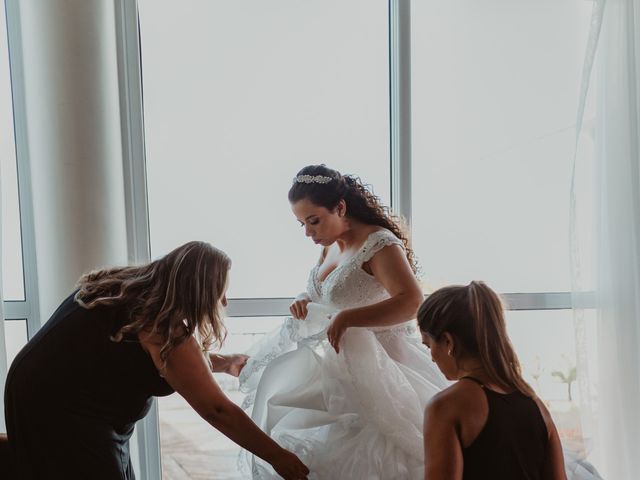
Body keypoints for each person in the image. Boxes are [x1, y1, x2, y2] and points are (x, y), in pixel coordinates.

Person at [4, 241, 309, 480]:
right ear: (198, 292)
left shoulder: (129, 288)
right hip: (62, 410)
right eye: (220, 292)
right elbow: (216, 410)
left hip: (36, 387)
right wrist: (277, 456)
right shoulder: (163, 327)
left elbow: (145, 358)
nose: (224, 302)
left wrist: (224, 362)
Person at [238, 165, 448, 479]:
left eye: (314, 221)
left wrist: (350, 318)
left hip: (383, 368)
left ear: (340, 208)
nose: (309, 233)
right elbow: (331, 294)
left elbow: (411, 301)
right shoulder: (329, 246)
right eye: (302, 224)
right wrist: (305, 300)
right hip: (336, 369)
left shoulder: (379, 244)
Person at [418, 281, 599, 480]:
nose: (432, 357)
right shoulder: (537, 406)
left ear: (448, 342)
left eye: (428, 346)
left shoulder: (446, 406)